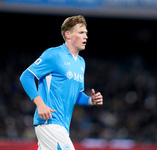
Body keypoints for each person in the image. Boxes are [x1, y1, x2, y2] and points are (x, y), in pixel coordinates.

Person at [20, 15, 103, 150]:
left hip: (63, 126)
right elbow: (26, 76)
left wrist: (90, 101)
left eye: (86, 33)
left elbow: (76, 94)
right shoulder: (54, 54)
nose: (86, 36)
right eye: (81, 32)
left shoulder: (81, 63)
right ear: (68, 34)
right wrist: (40, 105)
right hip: (49, 122)